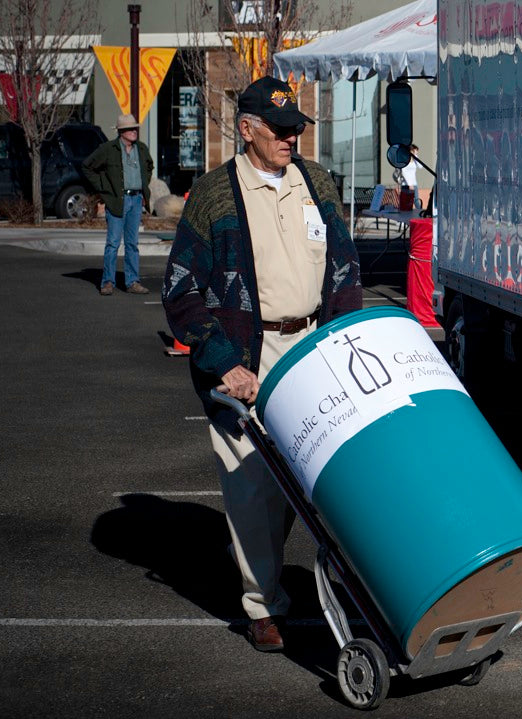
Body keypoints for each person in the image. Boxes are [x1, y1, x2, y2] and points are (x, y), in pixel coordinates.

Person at [162, 76, 362, 653]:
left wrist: (345, 335)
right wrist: (224, 363)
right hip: (248, 354)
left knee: (308, 480)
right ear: (247, 130)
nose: (291, 138)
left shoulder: (317, 183)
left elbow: (345, 269)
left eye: (296, 128)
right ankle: (263, 605)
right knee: (253, 485)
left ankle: (259, 558)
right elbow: (180, 291)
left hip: (314, 347)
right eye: (279, 130)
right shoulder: (214, 195)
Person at [84, 113, 155, 295]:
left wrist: (143, 184)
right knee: (113, 243)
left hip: (136, 199)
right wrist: (103, 188)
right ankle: (107, 282)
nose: (133, 131)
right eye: (129, 129)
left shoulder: (141, 149)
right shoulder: (108, 149)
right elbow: (87, 166)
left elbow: (149, 166)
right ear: (121, 132)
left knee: (132, 243)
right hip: (117, 200)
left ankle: (132, 282)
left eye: (135, 128)